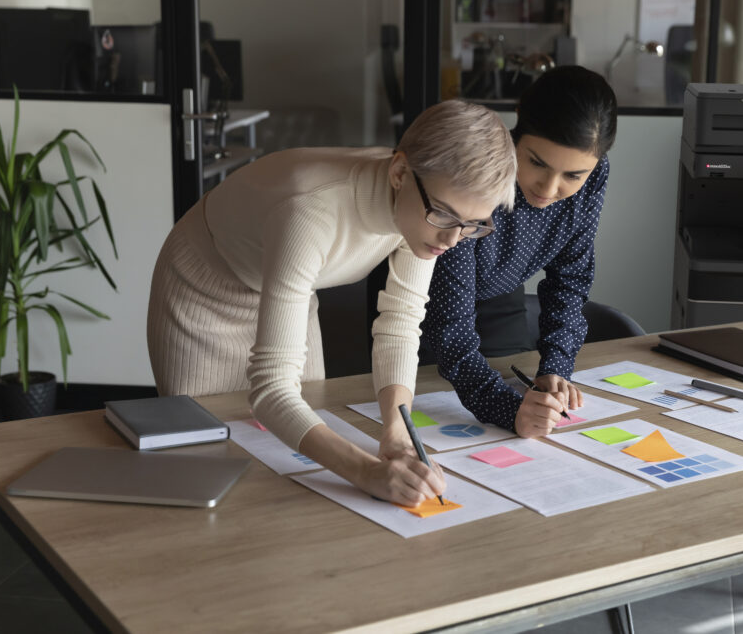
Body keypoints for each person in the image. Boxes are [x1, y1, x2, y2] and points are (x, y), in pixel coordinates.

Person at [147, 100, 517, 506]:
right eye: (446, 216)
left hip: (292, 285)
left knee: (293, 466)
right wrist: (366, 472)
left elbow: (400, 323)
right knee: (216, 462)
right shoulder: (309, 212)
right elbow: (272, 390)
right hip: (206, 289)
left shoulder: (427, 212)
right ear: (398, 173)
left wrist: (395, 431)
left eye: (472, 225)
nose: (452, 239)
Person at [421, 66, 618, 439]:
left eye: (573, 175)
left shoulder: (594, 175)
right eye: (537, 163)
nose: (550, 188)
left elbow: (570, 278)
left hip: (500, 296)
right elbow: (449, 329)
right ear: (516, 135)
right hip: (423, 304)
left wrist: (556, 368)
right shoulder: (472, 170)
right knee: (431, 418)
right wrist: (508, 410)